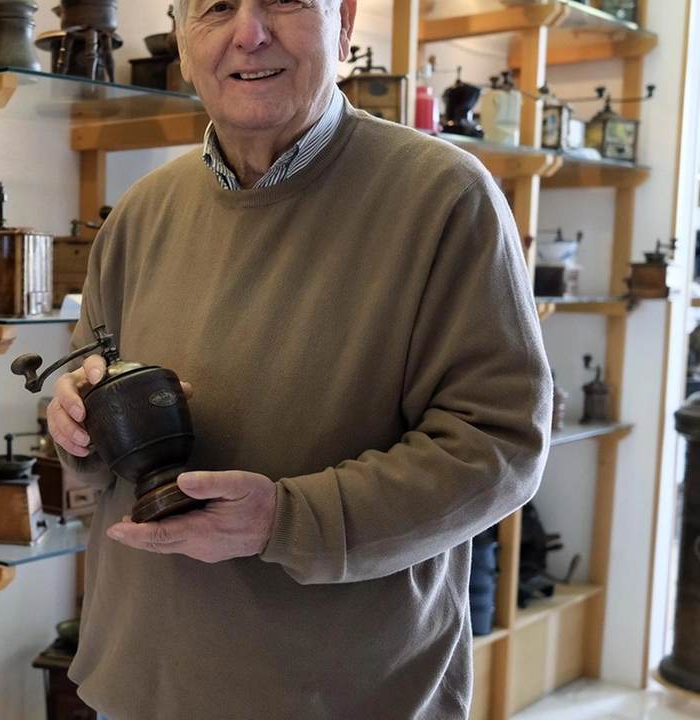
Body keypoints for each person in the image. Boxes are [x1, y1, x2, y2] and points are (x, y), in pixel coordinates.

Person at [44, 0, 552, 719]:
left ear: (343, 24)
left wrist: (284, 520)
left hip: (345, 696)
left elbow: (498, 446)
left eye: (282, 1)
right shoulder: (139, 215)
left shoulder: (443, 198)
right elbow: (87, 421)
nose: (248, 33)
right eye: (216, 8)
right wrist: (72, 423)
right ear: (185, 44)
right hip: (139, 684)